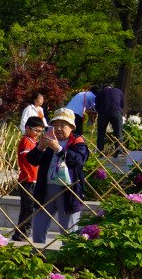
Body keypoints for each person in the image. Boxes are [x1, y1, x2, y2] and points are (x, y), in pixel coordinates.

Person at [30, 108, 90, 244]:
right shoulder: (49, 139)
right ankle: (38, 254)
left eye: (62, 125)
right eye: (55, 125)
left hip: (68, 190)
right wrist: (40, 148)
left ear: (71, 127)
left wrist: (59, 149)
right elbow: (32, 160)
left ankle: (67, 256)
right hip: (45, 189)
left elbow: (78, 160)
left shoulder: (77, 142)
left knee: (68, 231)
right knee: (38, 226)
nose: (58, 128)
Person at [13, 116, 45, 242]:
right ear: (27, 128)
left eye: (40, 131)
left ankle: (21, 232)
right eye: (36, 130)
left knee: (28, 207)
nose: (38, 133)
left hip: (33, 178)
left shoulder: (33, 141)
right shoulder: (26, 141)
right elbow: (27, 158)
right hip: (28, 178)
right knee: (28, 207)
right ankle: (22, 232)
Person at [94, 83, 124, 153]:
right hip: (116, 112)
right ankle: (119, 152)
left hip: (103, 113)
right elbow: (122, 104)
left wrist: (100, 112)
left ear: (103, 88)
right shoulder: (118, 91)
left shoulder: (100, 93)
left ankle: (100, 151)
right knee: (118, 132)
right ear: (111, 87)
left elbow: (97, 106)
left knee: (101, 133)